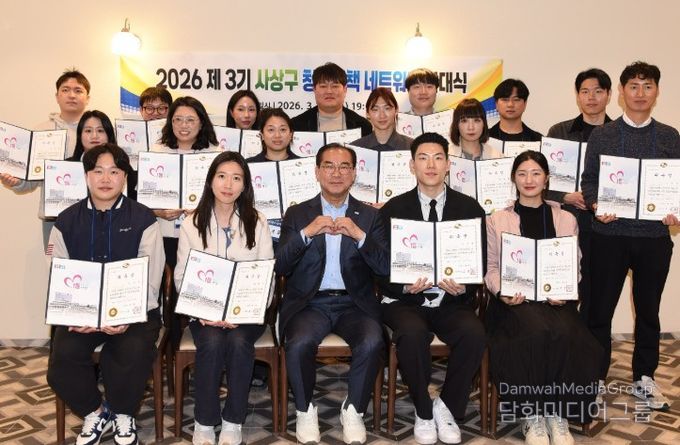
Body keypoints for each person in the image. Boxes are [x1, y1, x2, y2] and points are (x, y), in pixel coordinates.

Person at [46, 143, 164, 445]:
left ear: (124, 177)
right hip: (82, 315)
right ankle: (96, 411)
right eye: (98, 171)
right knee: (62, 358)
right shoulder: (66, 220)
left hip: (134, 313)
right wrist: (77, 315)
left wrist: (125, 316)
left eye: (114, 171)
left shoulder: (143, 218)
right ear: (87, 176)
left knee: (130, 350)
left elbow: (151, 278)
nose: (106, 178)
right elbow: (58, 273)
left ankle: (124, 414)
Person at [581, 61, 680, 411]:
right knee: (599, 310)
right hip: (609, 235)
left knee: (649, 311)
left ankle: (645, 377)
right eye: (633, 86)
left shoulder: (670, 136)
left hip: (654, 238)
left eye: (647, 86)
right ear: (622, 93)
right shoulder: (603, 135)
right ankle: (594, 378)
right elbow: (589, 181)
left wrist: (675, 211)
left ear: (657, 92)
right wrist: (596, 204)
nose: (640, 93)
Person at [485, 150, 600, 445]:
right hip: (514, 303)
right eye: (522, 173)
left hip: (554, 302)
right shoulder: (498, 219)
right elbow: (491, 268)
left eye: (536, 173)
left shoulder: (566, 218)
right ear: (513, 179)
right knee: (534, 332)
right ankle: (532, 414)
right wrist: (503, 292)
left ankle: (558, 413)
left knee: (570, 335)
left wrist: (565, 290)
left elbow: (574, 264)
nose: (529, 179)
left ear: (547, 178)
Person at [275, 143, 388, 444]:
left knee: (372, 341)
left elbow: (385, 267)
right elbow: (281, 265)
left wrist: (360, 236)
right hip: (310, 303)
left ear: (353, 173)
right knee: (299, 343)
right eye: (329, 166)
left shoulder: (369, 215)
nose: (336, 173)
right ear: (317, 172)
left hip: (354, 304)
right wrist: (307, 233)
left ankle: (353, 410)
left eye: (344, 167)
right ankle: (304, 410)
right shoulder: (298, 213)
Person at [378, 132, 486, 445]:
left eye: (438, 158)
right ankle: (424, 411)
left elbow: (479, 262)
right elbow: (378, 265)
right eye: (423, 158)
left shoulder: (469, 209)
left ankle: (446, 406)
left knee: (474, 333)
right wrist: (402, 285)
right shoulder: (393, 210)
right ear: (412, 165)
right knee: (412, 334)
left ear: (448, 164)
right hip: (405, 301)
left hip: (451, 300)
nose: (431, 165)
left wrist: (464, 286)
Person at [174, 151, 274, 445]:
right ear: (210, 181)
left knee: (240, 342)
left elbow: (266, 274)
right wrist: (204, 312)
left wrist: (243, 312)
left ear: (245, 185)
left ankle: (233, 420)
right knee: (213, 341)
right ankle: (204, 422)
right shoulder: (192, 223)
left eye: (236, 178)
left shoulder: (258, 221)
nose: (228, 184)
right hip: (204, 313)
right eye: (222, 176)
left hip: (247, 313)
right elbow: (182, 275)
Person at [546, 68, 613, 322]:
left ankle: (594, 346)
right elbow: (543, 180)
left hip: (606, 226)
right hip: (567, 220)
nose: (591, 97)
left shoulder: (617, 134)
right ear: (577, 96)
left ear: (608, 95)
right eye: (585, 91)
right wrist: (567, 196)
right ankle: (568, 344)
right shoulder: (559, 131)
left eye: (598, 91)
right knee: (564, 289)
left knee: (599, 293)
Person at [1, 110, 120, 246]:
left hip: (110, 228)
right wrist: (17, 182)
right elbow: (33, 181)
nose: (94, 136)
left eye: (100, 130)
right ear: (80, 135)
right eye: (88, 131)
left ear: (109, 134)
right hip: (66, 229)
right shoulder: (63, 167)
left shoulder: (122, 167)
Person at [291, 62, 372, 136]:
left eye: (335, 86)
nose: (329, 91)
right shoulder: (296, 125)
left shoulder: (362, 126)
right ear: (314, 89)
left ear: (345, 89)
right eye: (323, 86)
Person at [36, 69, 91, 158]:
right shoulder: (40, 130)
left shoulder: (98, 132)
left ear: (87, 99)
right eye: (65, 90)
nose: (72, 95)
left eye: (78, 91)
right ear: (57, 97)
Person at [351, 87, 413, 151]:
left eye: (387, 108)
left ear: (396, 110)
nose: (382, 115)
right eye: (375, 109)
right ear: (367, 113)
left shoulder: (411, 146)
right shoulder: (356, 148)